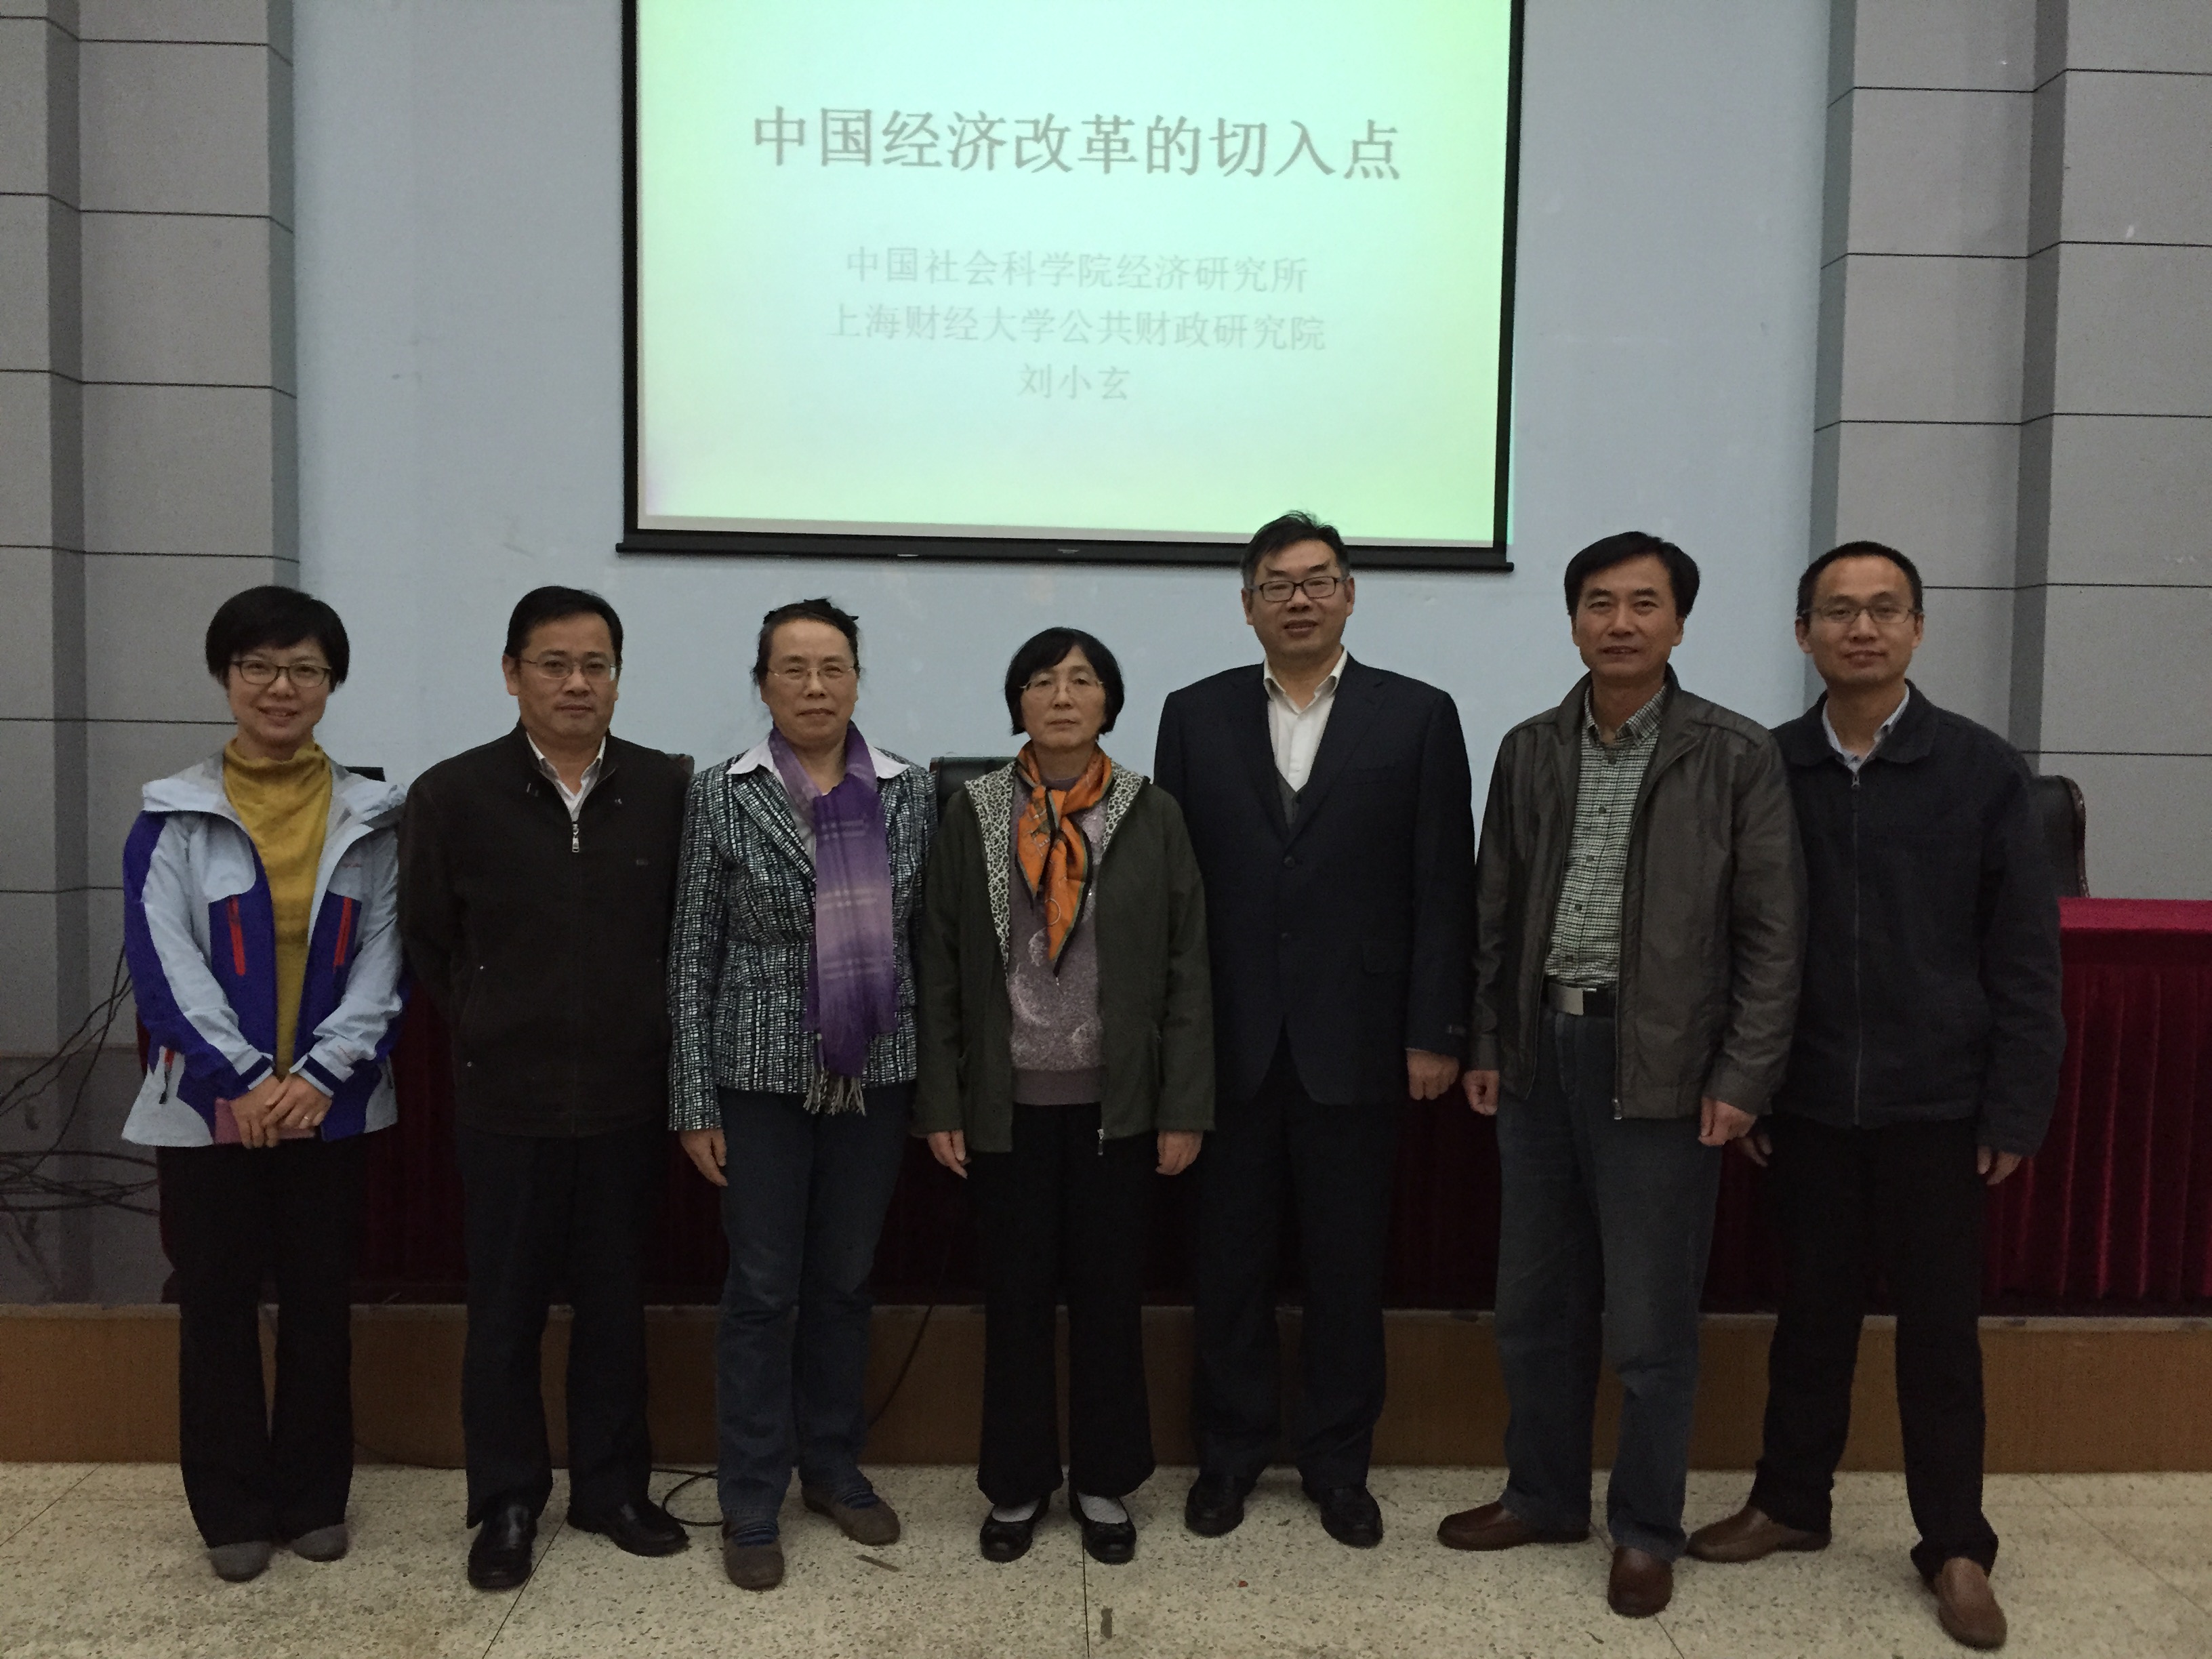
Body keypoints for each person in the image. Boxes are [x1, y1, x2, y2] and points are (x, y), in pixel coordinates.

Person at [1687, 543, 2064, 1652]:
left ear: (1916, 628)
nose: (1862, 629)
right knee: (1810, 1319)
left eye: (1884, 610)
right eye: (1839, 611)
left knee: (1941, 1338)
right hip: (1804, 1101)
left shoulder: (1981, 769)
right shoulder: (1770, 764)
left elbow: (2025, 955)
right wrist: (1748, 1085)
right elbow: (1731, 942)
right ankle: (1790, 1503)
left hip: (1938, 1106)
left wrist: (2015, 1107)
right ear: (1803, 632)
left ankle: (1955, 1544)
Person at [1439, 531, 1803, 1620]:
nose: (1621, 623)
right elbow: (1493, 910)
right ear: (1573, 621)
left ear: (1680, 622)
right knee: (1533, 1306)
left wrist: (1744, 1075)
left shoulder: (1734, 754)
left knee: (1649, 1326)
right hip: (1538, 1057)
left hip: (1665, 1066)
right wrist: (1486, 1042)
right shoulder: (1530, 748)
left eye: (1645, 603)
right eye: (1599, 603)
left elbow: (1773, 935)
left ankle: (1645, 1529)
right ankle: (1543, 1496)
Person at [1154, 511, 1475, 1550]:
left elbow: (1443, 883)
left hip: (1363, 1041)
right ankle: (1229, 1456)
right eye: (1277, 584)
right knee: (1229, 1267)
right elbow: (1174, 894)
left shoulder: (1418, 715)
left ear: (1350, 593)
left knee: (1347, 1272)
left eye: (1318, 580)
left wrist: (1436, 1030)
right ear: (1247, 605)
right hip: (1230, 1044)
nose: (1299, 599)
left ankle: (1340, 1466)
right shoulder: (1193, 715)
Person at [398, 586, 692, 1589]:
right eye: (554, 664)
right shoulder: (452, 794)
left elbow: (684, 934)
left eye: (595, 665)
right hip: (506, 1102)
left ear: (617, 677)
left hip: (627, 1097)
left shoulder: (666, 789)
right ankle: (508, 1500)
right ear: (512, 673)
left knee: (616, 1308)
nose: (576, 683)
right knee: (505, 1312)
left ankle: (612, 1490)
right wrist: (491, 1021)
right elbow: (429, 940)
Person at [121, 586, 406, 1582]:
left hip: (331, 1106)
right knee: (217, 1308)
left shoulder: (375, 817)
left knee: (322, 1308)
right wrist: (241, 1080)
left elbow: (387, 959)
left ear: (331, 684)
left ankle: (313, 1497)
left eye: (305, 670)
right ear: (226, 677)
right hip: (212, 1110)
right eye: (259, 668)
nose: (281, 688)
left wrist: (319, 1075)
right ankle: (231, 1508)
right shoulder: (172, 814)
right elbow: (163, 965)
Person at [917, 628, 1213, 1567]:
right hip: (1003, 1106)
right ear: (1018, 702)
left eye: (1082, 681)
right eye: (1042, 681)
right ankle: (1016, 1483)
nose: (1061, 696)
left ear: (1108, 703)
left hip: (1115, 1109)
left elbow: (1187, 965)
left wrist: (1182, 1106)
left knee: (1108, 1301)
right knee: (1013, 1304)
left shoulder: (1151, 813)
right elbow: (940, 961)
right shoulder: (972, 811)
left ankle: (1102, 1480)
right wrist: (941, 1102)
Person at [668, 598, 935, 1593]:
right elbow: (691, 950)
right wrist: (694, 1100)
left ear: (857, 679)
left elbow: (927, 940)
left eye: (832, 668)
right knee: (762, 1289)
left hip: (876, 1071)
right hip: (759, 1075)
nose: (815, 687)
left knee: (845, 1281)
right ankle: (750, 1496)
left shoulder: (911, 790)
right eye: (793, 669)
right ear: (764, 684)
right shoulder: (720, 793)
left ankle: (832, 1467)